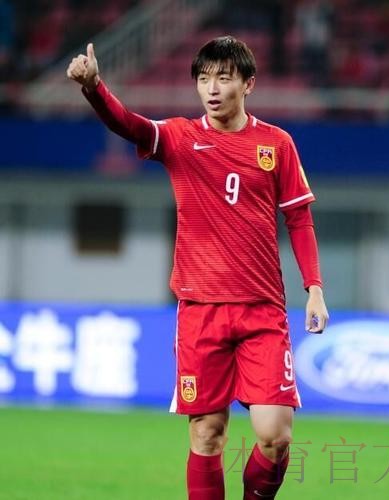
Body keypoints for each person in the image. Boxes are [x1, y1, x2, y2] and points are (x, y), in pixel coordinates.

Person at [66, 37, 329, 499]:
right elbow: (128, 124)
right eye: (204, 79)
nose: (212, 88)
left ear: (248, 84)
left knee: (275, 435)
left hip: (262, 311)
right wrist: (94, 88)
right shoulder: (180, 137)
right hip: (200, 310)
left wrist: (315, 288)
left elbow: (299, 218)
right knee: (207, 434)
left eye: (224, 78)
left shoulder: (276, 144)